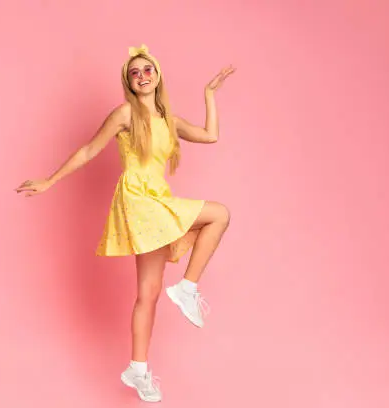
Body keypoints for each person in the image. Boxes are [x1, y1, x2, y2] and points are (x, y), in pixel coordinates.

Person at [15, 44, 234, 403]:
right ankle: (187, 289)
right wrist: (50, 180)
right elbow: (88, 150)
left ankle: (138, 369)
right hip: (138, 199)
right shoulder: (124, 115)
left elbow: (210, 136)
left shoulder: (171, 121)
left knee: (147, 295)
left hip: (158, 199)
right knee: (219, 213)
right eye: (135, 73)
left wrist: (209, 94)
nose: (143, 76)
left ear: (158, 75)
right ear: (129, 83)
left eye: (148, 70)